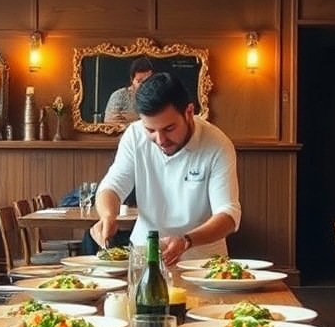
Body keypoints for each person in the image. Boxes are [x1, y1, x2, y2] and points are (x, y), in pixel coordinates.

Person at [91, 72, 241, 267]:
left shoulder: (217, 144)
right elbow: (112, 186)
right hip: (145, 256)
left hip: (202, 263)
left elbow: (228, 215)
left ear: (189, 112)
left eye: (169, 129)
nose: (160, 140)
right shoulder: (134, 135)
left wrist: (186, 240)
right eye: (151, 130)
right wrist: (108, 216)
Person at [103, 56, 155, 125]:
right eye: (139, 81)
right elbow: (110, 124)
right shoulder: (119, 96)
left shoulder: (156, 97)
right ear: (132, 79)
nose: (144, 85)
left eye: (148, 81)